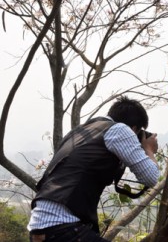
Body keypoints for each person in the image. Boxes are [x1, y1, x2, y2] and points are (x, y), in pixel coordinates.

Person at [28, 96, 160, 242]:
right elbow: (151, 177)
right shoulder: (120, 129)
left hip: (39, 227)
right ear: (134, 128)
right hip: (62, 226)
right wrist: (149, 150)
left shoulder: (78, 132)